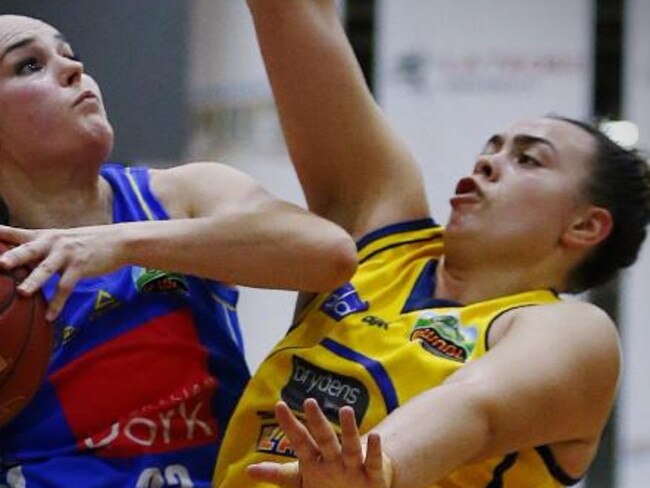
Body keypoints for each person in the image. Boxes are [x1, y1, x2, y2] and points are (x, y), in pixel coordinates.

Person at [212, 1, 650, 487]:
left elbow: (473, 403)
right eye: (492, 147)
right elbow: (293, 14)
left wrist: (378, 468)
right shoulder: (379, 233)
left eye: (529, 160)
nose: (487, 163)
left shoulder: (571, 331)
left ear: (586, 227)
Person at [0, 13, 358, 488]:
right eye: (28, 65)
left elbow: (328, 254)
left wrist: (122, 243)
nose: (73, 70)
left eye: (70, 55)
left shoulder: (182, 194)